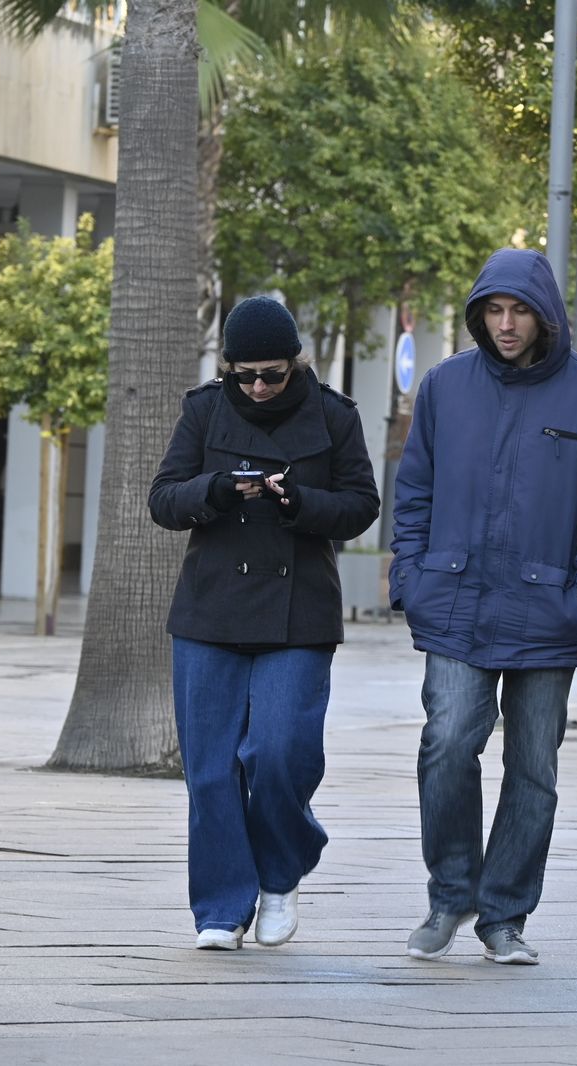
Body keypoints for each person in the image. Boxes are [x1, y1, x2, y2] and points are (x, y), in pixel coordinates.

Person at [388, 248, 577, 967]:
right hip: (454, 602)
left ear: (544, 316)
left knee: (534, 768)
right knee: (447, 745)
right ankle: (449, 895)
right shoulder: (444, 388)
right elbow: (414, 494)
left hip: (547, 611)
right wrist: (413, 576)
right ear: (478, 315)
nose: (505, 324)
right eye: (493, 311)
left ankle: (504, 915)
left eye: (519, 310)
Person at [149, 296, 380, 950]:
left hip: (298, 611)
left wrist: (299, 502)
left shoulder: (334, 417)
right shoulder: (204, 409)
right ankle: (222, 908)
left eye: (272, 374)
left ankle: (280, 875)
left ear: (296, 364)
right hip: (210, 609)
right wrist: (216, 491)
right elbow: (164, 499)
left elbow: (362, 505)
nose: (257, 386)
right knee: (212, 770)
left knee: (281, 753)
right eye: (244, 374)